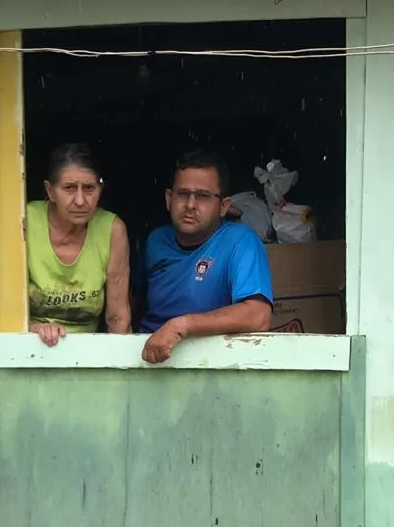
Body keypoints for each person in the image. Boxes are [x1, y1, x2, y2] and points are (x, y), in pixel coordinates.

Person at [139, 150, 273, 364]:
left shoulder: (240, 241)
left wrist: (180, 326)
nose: (191, 205)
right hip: (146, 360)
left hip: (212, 365)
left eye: (203, 196)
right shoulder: (155, 241)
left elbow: (258, 315)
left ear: (223, 206)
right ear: (168, 198)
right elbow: (129, 299)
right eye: (183, 194)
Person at [26, 144, 131, 346]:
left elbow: (118, 316)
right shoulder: (25, 220)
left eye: (89, 188)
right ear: (50, 191)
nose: (81, 201)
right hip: (30, 346)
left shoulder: (111, 229)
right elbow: (4, 308)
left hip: (86, 352)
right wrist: (33, 328)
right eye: (69, 188)